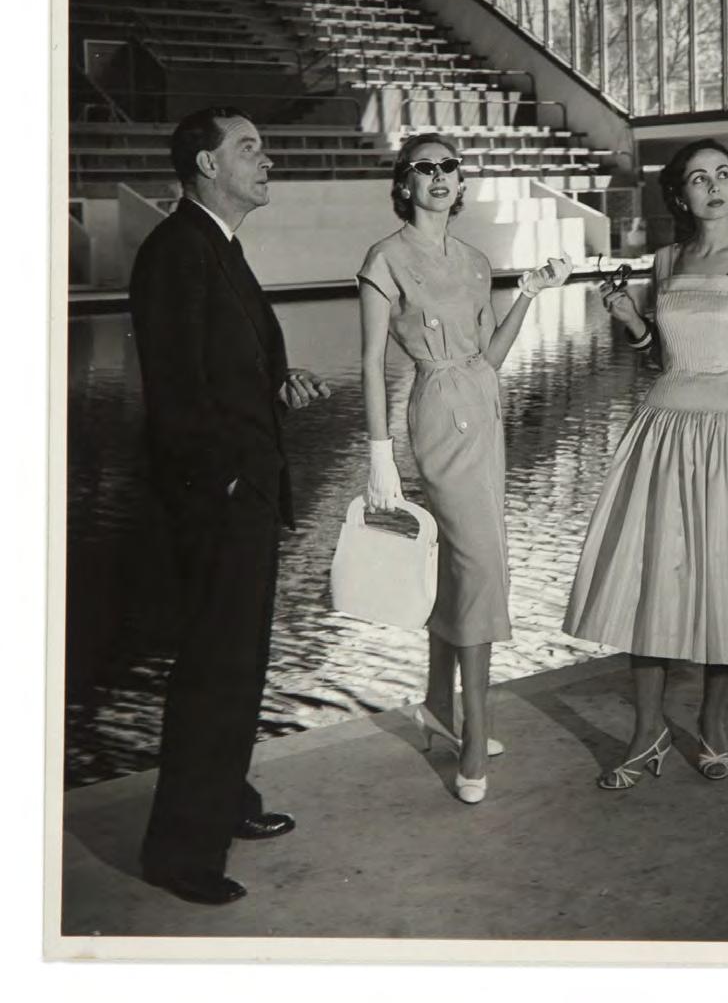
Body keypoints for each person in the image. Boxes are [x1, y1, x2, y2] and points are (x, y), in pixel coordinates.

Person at [564, 139, 728, 788]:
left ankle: (711, 721)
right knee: (651, 578)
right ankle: (647, 732)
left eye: (722, 175)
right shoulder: (666, 260)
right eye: (698, 178)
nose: (713, 187)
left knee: (722, 579)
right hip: (661, 432)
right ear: (680, 195)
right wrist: (631, 321)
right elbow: (663, 357)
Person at [129, 107, 330, 904]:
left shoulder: (217, 245)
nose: (266, 159)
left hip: (242, 490)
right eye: (249, 148)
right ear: (207, 165)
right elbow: (175, 394)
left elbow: (222, 369)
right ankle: (179, 854)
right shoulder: (176, 251)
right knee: (214, 669)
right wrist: (227, 483)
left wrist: (278, 386)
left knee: (238, 663)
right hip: (218, 500)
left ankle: (226, 800)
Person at [358, 134, 570, 804]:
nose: (440, 176)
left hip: (484, 406)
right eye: (425, 168)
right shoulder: (386, 258)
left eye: (450, 166)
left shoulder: (477, 262)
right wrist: (379, 453)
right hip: (437, 413)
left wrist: (529, 293)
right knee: (480, 567)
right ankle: (475, 735)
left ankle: (436, 705)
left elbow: (489, 358)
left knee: (462, 564)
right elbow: (370, 363)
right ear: (405, 183)